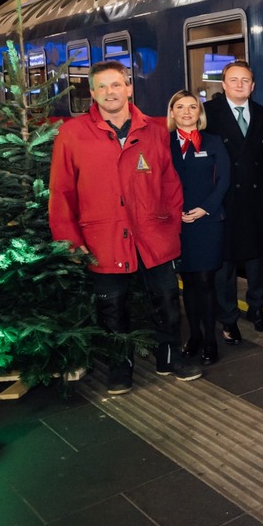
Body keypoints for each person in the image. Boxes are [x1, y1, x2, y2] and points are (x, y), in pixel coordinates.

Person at [48, 61, 200, 395]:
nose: (109, 93)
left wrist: (171, 225)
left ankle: (170, 356)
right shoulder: (72, 134)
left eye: (116, 85)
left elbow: (170, 183)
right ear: (92, 93)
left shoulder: (154, 130)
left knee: (166, 299)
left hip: (152, 232)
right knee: (111, 305)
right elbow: (61, 192)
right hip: (102, 235)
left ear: (129, 88)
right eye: (101, 87)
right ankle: (120, 365)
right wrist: (70, 240)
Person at [204, 61, 263, 343]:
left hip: (256, 197)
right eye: (233, 80)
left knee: (257, 258)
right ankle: (228, 317)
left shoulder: (262, 114)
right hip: (222, 198)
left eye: (245, 80)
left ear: (253, 86)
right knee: (225, 263)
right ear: (223, 85)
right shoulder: (208, 114)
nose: (239, 85)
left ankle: (257, 309)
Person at [168, 90, 230, 366]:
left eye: (192, 107)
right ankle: (193, 336)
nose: (186, 111)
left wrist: (206, 208)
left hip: (207, 220)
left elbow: (225, 179)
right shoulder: (164, 143)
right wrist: (175, 211)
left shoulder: (213, 142)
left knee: (205, 281)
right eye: (180, 107)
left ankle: (210, 340)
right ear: (172, 113)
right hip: (176, 222)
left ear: (199, 113)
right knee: (188, 282)